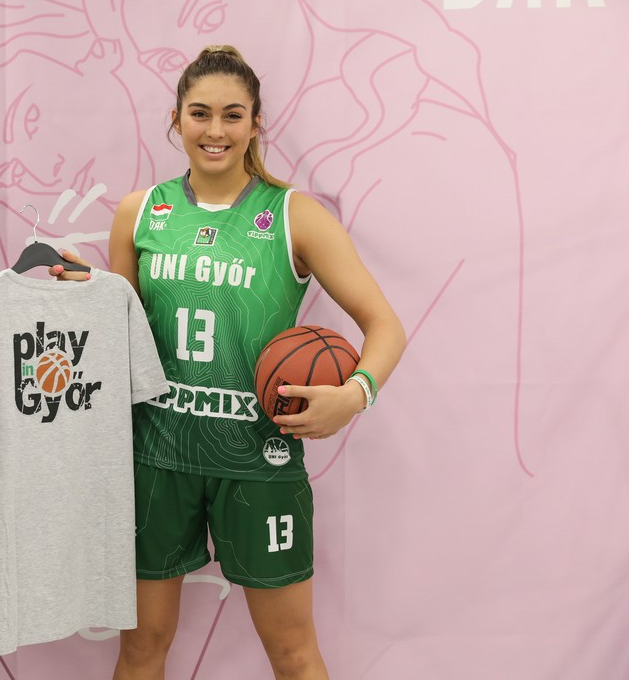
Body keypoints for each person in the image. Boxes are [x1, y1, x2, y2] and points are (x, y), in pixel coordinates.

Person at [104, 46, 406, 679]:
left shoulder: (294, 215)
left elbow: (385, 326)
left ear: (255, 122)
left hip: (260, 457)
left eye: (232, 115)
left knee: (293, 654)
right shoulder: (140, 212)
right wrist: (82, 300)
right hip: (157, 455)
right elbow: (120, 337)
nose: (215, 130)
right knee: (141, 648)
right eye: (200, 114)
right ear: (176, 119)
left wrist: (355, 394)